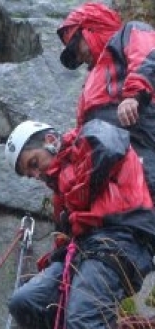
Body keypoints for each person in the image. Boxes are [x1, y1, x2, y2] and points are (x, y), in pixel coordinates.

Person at [4, 119, 155, 329]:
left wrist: (76, 200)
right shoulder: (61, 189)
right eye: (32, 175)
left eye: (34, 164)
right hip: (88, 249)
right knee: (26, 301)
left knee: (83, 313)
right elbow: (71, 230)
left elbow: (109, 149)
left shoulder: (93, 133)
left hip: (123, 238)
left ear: (50, 141)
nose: (38, 175)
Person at [57, 2, 155, 196]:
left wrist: (133, 96)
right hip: (116, 162)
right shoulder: (90, 83)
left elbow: (146, 57)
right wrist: (57, 148)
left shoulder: (130, 32)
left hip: (143, 138)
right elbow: (82, 130)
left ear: (91, 28)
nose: (80, 57)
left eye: (76, 47)